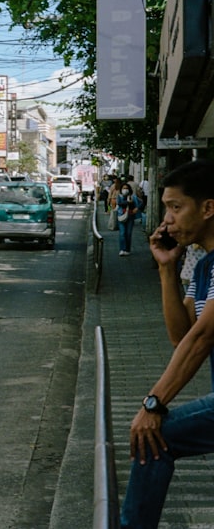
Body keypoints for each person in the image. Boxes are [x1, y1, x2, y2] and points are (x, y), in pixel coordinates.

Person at [120, 159, 214, 527]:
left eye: (176, 207)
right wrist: (166, 268)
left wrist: (154, 403)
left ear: (208, 208)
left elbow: (203, 338)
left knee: (154, 438)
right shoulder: (204, 266)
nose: (168, 220)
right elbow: (182, 336)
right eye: (166, 209)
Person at [116, 182, 139, 256]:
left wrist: (136, 208)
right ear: (121, 189)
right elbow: (119, 203)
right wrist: (128, 202)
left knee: (128, 234)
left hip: (130, 217)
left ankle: (127, 250)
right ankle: (122, 249)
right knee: (122, 233)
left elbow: (139, 204)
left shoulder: (133, 196)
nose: (125, 190)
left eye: (126, 188)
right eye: (123, 188)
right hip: (121, 216)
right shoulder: (119, 196)